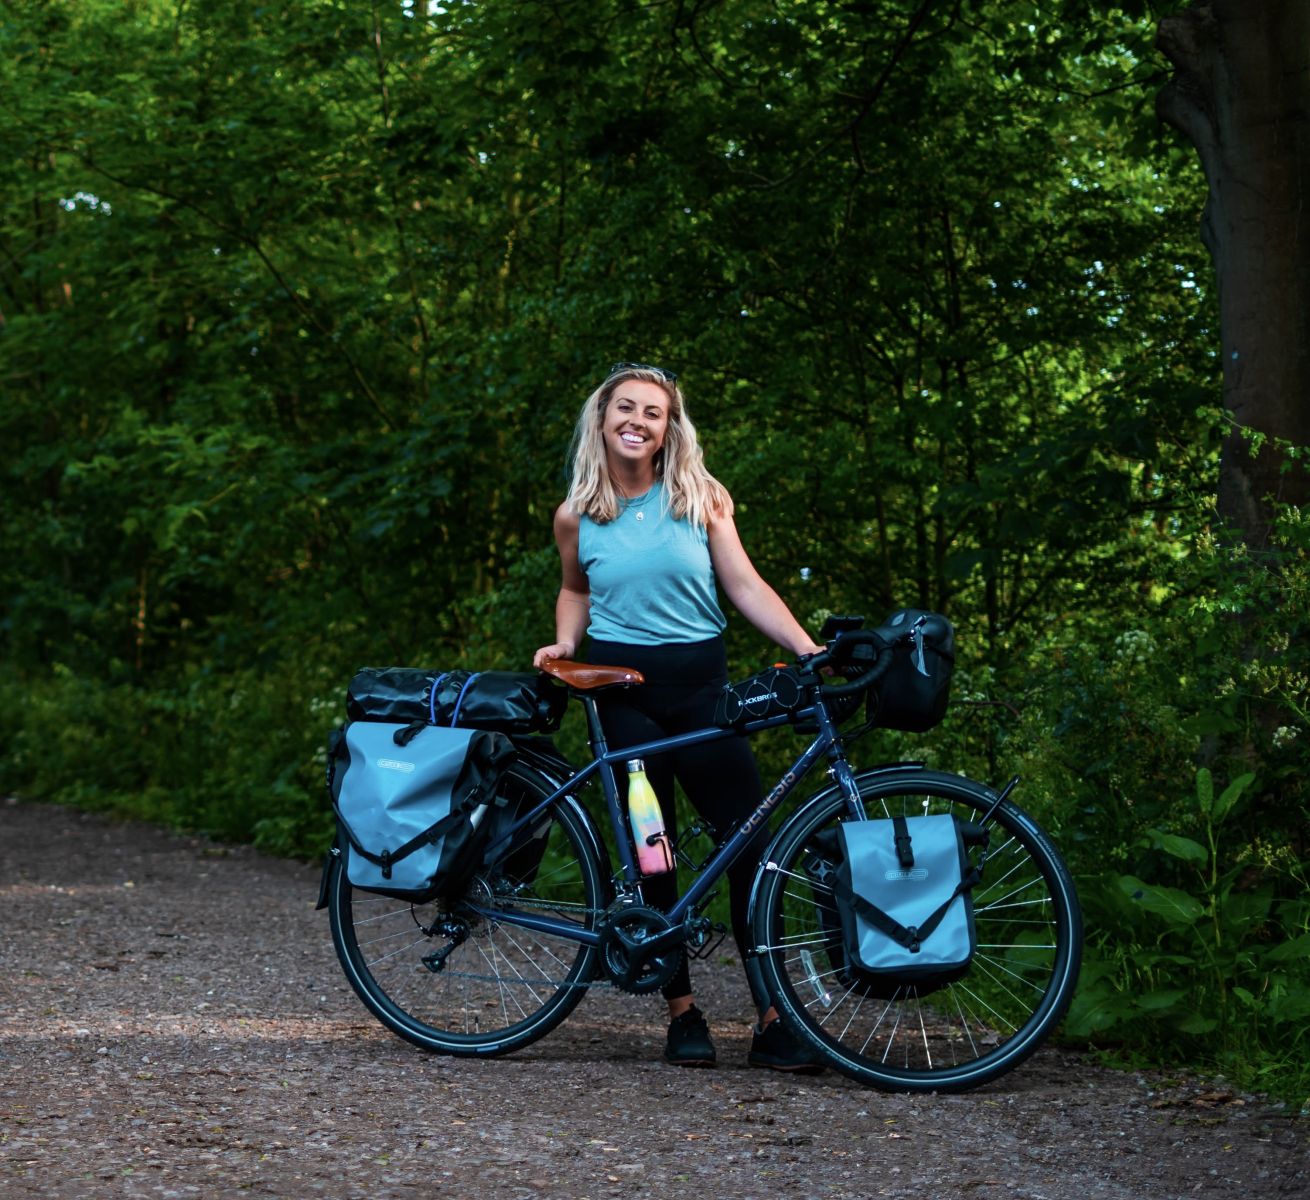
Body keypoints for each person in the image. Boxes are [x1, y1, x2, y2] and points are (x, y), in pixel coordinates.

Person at [532, 361, 827, 1072]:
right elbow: (575, 589)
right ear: (602, 421)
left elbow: (745, 585)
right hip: (625, 700)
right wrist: (567, 641)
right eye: (624, 409)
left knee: (748, 848)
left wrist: (807, 647)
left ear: (668, 430)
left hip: (703, 698)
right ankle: (682, 1015)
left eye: (652, 413)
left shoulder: (700, 498)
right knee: (653, 849)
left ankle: (772, 1020)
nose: (636, 421)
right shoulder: (578, 513)